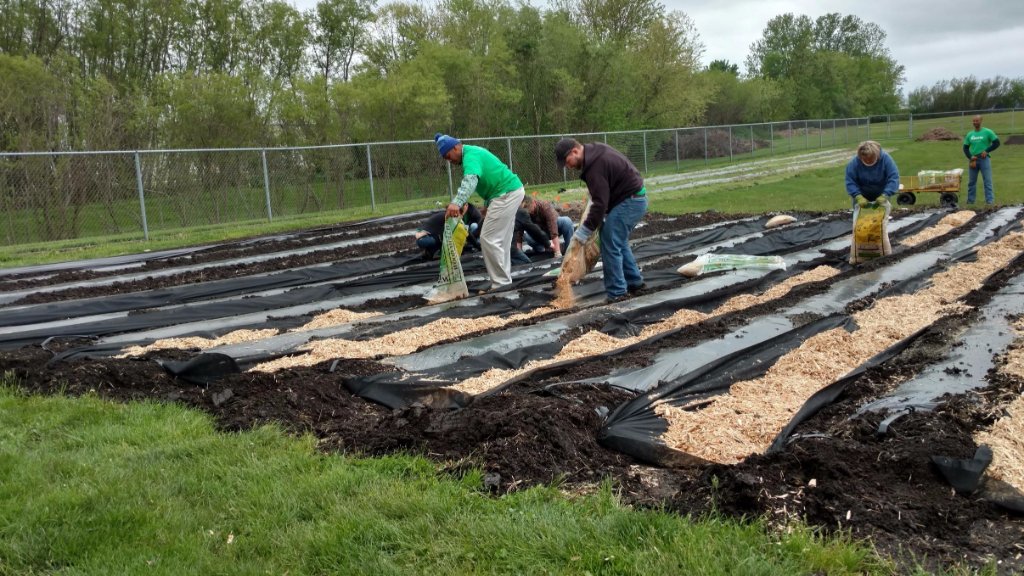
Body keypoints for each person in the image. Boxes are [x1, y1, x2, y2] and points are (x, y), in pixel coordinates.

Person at [554, 137, 647, 303]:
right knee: (618, 241)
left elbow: (600, 203)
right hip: (631, 199)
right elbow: (603, 195)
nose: (568, 167)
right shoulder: (594, 152)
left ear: (575, 151)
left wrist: (584, 231)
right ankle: (635, 282)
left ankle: (617, 293)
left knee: (610, 243)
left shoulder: (594, 166)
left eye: (567, 162)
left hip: (630, 201)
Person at [436, 133, 526, 292]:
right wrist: (487, 203)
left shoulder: (470, 156)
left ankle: (501, 284)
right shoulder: (473, 153)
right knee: (501, 241)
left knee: (488, 238)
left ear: (456, 147)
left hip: (506, 194)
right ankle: (504, 282)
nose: (449, 161)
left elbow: (470, 180)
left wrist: (456, 202)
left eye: (448, 156)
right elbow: (491, 174)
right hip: (509, 191)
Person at [414, 203, 482, 260]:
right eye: (461, 216)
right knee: (447, 236)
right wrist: (477, 246)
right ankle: (436, 252)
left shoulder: (447, 215)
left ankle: (429, 252)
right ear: (459, 213)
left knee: (445, 236)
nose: (461, 218)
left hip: (423, 237)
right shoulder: (452, 218)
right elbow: (467, 233)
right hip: (424, 239)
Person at [845, 140, 899, 207]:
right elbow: (850, 181)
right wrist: (857, 196)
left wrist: (885, 194)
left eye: (870, 159)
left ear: (876, 154)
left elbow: (893, 178)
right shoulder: (854, 163)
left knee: (882, 216)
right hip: (861, 196)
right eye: (865, 159)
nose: (868, 161)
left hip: (882, 195)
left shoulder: (886, 159)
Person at [962, 115, 1001, 205]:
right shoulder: (970, 134)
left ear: (981, 121)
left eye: (977, 121)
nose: (975, 122)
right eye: (974, 121)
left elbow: (997, 143)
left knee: (987, 181)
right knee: (971, 182)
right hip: (973, 160)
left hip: (984, 159)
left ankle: (990, 202)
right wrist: (970, 157)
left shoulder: (987, 132)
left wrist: (987, 151)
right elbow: (965, 148)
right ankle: (970, 202)